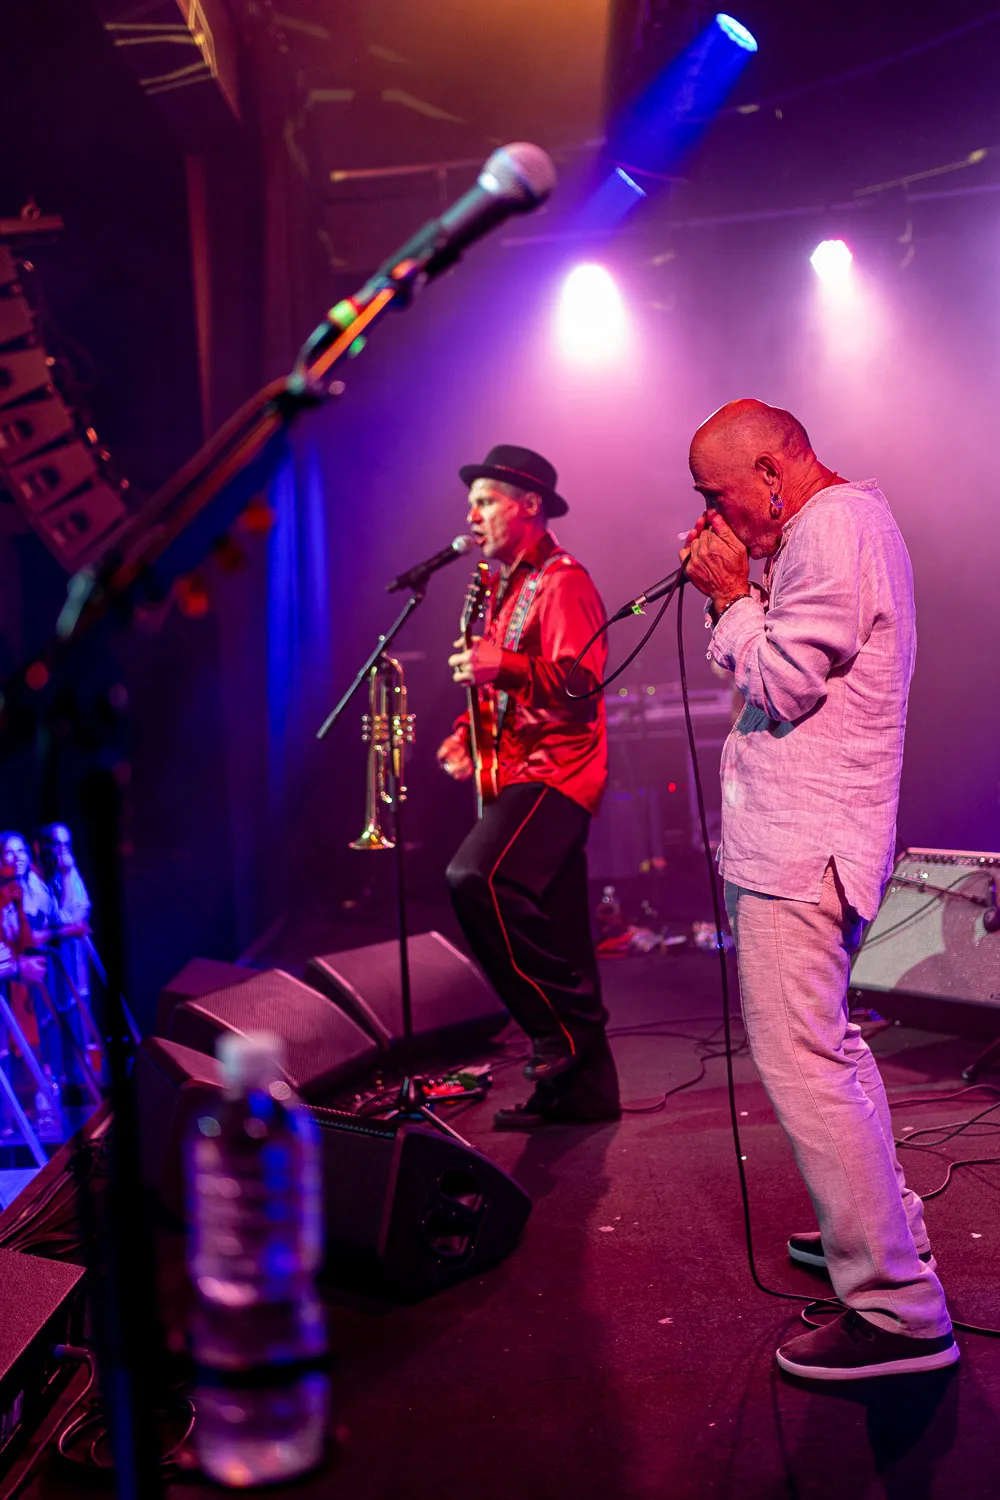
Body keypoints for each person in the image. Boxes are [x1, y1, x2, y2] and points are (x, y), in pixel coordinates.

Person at [680, 398, 957, 1380]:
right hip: (809, 844)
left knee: (803, 1062)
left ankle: (895, 1311)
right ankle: (889, 1234)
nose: (711, 516)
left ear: (769, 472)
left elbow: (785, 681)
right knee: (828, 1047)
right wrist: (744, 592)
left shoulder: (832, 529)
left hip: (802, 850)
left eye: (715, 494)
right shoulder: (833, 528)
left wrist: (729, 596)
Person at [437, 444, 619, 1130]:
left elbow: (581, 683)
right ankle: (584, 1094)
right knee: (563, 932)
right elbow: (504, 686)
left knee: (475, 877)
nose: (472, 514)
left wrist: (503, 666)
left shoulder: (563, 582)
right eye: (472, 503)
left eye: (486, 501)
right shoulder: (507, 587)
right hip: (519, 767)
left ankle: (558, 1028)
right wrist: (468, 731)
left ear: (530, 506)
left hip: (558, 770)